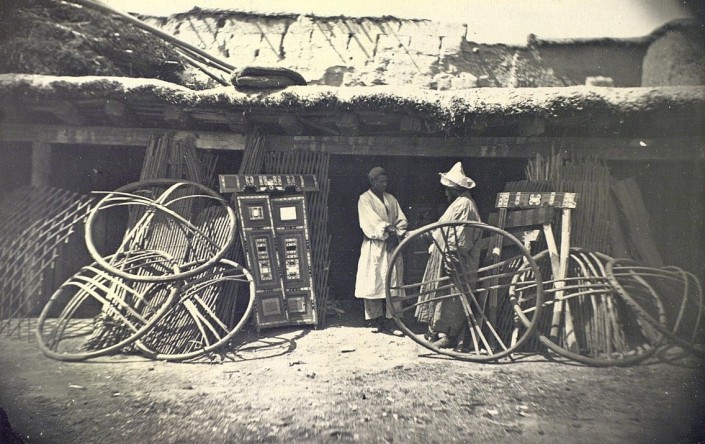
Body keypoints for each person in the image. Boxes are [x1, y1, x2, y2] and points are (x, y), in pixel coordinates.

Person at [415, 162, 482, 349]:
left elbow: (461, 237)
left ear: (454, 189)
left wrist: (452, 257)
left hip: (456, 259)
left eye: (447, 189)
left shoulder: (465, 205)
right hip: (446, 255)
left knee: (452, 298)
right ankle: (437, 332)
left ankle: (448, 335)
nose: (445, 193)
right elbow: (441, 227)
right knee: (441, 296)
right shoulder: (458, 203)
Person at [355, 167, 407, 335]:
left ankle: (394, 320)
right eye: (381, 181)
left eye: (386, 181)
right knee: (373, 281)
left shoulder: (390, 199)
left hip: (392, 245)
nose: (385, 184)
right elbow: (371, 221)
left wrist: (397, 232)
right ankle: (374, 319)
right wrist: (387, 230)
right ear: (372, 181)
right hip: (375, 245)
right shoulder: (365, 199)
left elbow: (401, 219)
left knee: (393, 281)